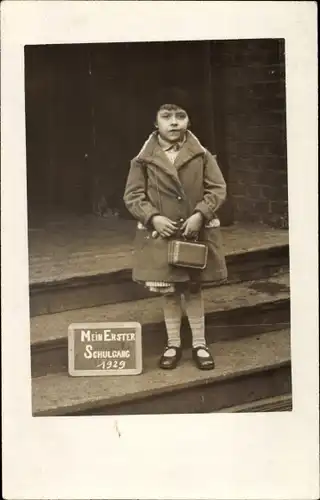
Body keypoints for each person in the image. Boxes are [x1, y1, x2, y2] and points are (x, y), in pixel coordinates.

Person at [123, 102, 228, 370]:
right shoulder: (144, 159)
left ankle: (200, 344)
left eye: (180, 116)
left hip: (194, 233)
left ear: (189, 121)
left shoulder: (201, 155)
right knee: (169, 292)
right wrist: (153, 217)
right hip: (162, 234)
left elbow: (217, 188)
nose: (174, 122)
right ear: (155, 122)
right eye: (166, 116)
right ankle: (173, 343)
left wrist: (201, 214)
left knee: (193, 289)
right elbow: (133, 195)